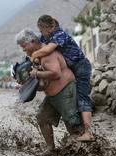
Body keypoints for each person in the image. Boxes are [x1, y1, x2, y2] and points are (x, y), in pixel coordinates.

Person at [16, 28, 83, 156]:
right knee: (42, 118)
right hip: (52, 96)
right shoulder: (37, 57)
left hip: (66, 92)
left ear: (33, 41)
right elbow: (42, 84)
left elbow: (56, 74)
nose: (23, 49)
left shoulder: (48, 54)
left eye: (24, 46)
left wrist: (37, 73)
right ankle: (51, 149)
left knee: (73, 124)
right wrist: (28, 81)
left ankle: (85, 151)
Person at [31, 14, 95, 142]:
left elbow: (47, 49)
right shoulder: (46, 36)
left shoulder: (60, 34)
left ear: (49, 27)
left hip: (81, 66)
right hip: (70, 69)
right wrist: (36, 59)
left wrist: (35, 55)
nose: (40, 33)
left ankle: (88, 133)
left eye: (41, 30)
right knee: (74, 99)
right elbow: (38, 45)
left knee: (82, 98)